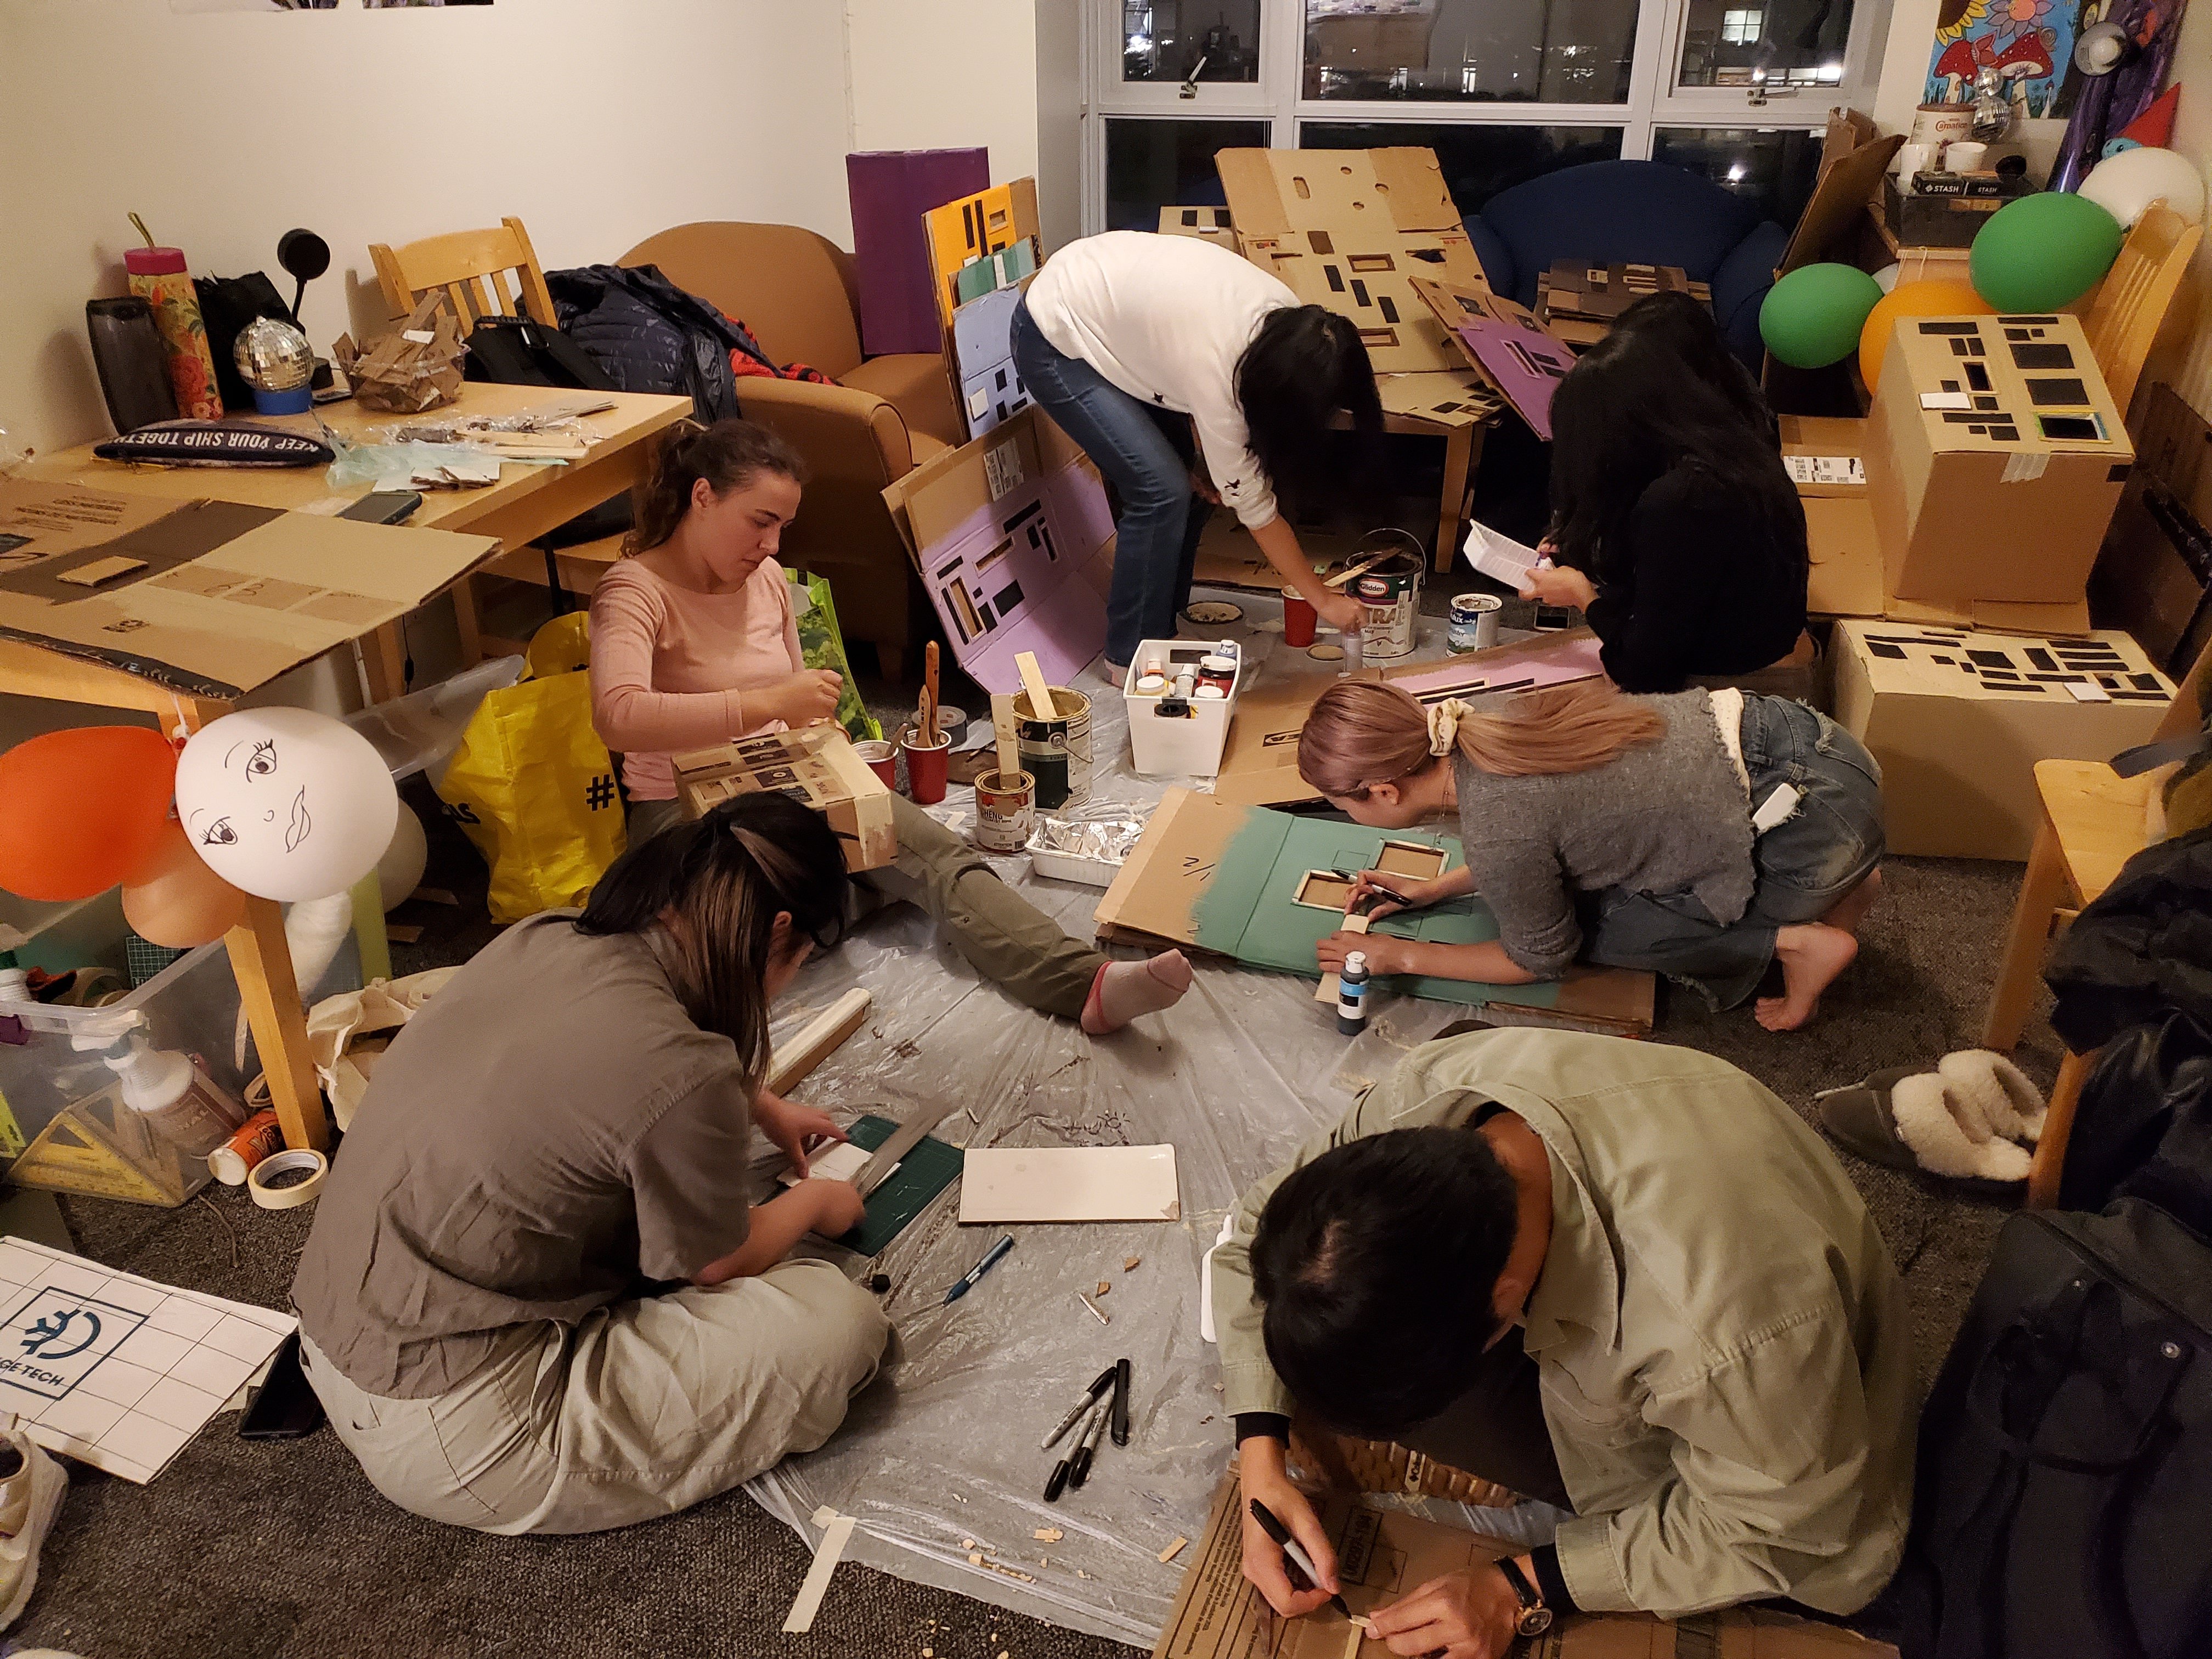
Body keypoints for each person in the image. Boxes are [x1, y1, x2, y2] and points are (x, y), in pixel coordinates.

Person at [292, 794, 889, 1534]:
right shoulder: (682, 1070)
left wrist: (758, 1103)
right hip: (454, 1430)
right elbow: (717, 1264)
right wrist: (817, 1204)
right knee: (840, 1324)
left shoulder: (548, 937)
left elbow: (631, 1058)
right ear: (778, 933)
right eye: (799, 964)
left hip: (337, 1337)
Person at [1215, 1026, 1917, 1656]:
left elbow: (1789, 1526)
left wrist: (1524, 1586)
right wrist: (1262, 1462)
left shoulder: (1719, 1331)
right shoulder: (1431, 1098)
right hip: (1710, 1267)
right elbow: (1254, 1232)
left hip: (1793, 1447)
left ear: (1505, 1305)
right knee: (1318, 1353)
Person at [588, 417, 1192, 1035]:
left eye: (783, 527)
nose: (772, 545)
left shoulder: (766, 581)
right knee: (733, 930)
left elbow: (802, 712)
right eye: (760, 521)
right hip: (685, 809)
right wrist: (764, 701)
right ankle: (838, 897)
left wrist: (829, 746)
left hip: (783, 784)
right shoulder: (635, 591)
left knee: (934, 851)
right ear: (703, 496)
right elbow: (618, 716)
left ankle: (1083, 983)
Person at [1295, 679, 1882, 1030]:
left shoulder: (1499, 824)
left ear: (1383, 792)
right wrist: (1436, 887)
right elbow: (1546, 841)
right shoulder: (1491, 727)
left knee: (1596, 929)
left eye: (1342, 805)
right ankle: (1848, 883)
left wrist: (1396, 957)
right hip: (1813, 749)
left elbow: (1538, 960)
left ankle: (1800, 942)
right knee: (1587, 865)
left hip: (1810, 827)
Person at [1012, 230, 1383, 681]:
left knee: (1199, 485)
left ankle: (1166, 622)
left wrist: (1207, 460)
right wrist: (1322, 599)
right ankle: (1129, 657)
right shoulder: (1222, 379)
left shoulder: (1292, 326)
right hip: (1055, 334)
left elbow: (1180, 356)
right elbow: (1257, 511)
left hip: (1116, 309)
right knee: (1161, 489)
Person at [1517, 317, 1808, 693]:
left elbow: (1642, 670)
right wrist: (1580, 552)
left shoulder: (1682, 501)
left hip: (1742, 689)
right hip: (1761, 654)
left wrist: (1582, 595)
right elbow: (1668, 586)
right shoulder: (1734, 447)